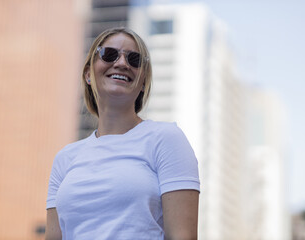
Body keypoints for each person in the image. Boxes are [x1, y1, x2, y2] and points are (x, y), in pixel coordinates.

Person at [45, 27, 200, 240]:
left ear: (143, 82)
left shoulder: (166, 139)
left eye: (134, 59)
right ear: (88, 74)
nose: (121, 63)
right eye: (109, 54)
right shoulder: (65, 158)